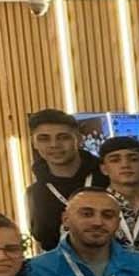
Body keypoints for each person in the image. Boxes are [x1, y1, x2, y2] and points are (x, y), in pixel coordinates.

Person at [26, 108, 107, 253]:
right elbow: (42, 242)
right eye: (44, 139)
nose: (54, 145)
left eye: (63, 137)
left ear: (79, 139)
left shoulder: (108, 178)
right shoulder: (35, 192)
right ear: (34, 143)